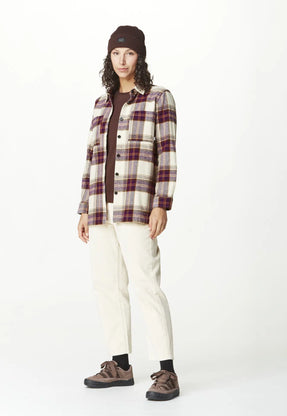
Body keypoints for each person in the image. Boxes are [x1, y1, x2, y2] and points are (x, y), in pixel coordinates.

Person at [76, 25, 179, 401]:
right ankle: (120, 365)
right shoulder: (101, 103)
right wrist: (84, 209)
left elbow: (167, 154)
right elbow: (91, 158)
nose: (122, 60)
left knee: (146, 285)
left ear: (140, 57)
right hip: (100, 208)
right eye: (116, 53)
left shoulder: (158, 98)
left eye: (130, 53)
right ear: (109, 57)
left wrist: (161, 203)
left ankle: (167, 371)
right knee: (107, 285)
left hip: (136, 205)